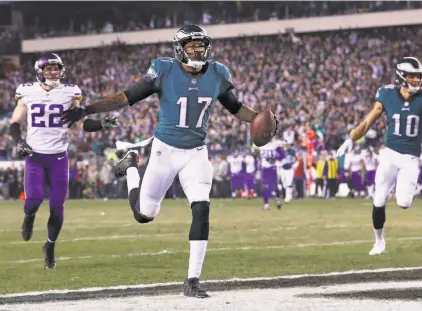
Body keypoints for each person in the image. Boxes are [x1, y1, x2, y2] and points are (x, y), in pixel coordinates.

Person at [59, 24, 279, 298]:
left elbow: (236, 108)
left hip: (196, 153)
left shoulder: (218, 74)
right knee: (144, 215)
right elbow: (125, 98)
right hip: (165, 150)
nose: (198, 50)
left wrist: (261, 119)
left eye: (201, 45)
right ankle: (130, 166)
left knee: (201, 209)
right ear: (179, 49)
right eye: (192, 46)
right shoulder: (163, 70)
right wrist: (87, 108)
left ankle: (192, 281)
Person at [8, 53, 118, 269]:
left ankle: (50, 246)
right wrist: (18, 141)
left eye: (56, 68)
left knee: (57, 207)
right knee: (34, 199)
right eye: (49, 69)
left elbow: (82, 124)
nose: (53, 72)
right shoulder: (26, 91)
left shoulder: (70, 92)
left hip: (59, 156)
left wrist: (102, 124)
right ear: (40, 71)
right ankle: (29, 217)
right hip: (35, 156)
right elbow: (15, 121)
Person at [336, 57, 422, 256]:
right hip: (389, 155)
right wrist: (351, 139)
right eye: (412, 76)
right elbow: (367, 122)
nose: (416, 80)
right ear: (401, 76)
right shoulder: (387, 95)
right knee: (379, 199)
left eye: (418, 77)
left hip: (411, 158)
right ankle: (379, 242)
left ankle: (399, 185)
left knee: (404, 202)